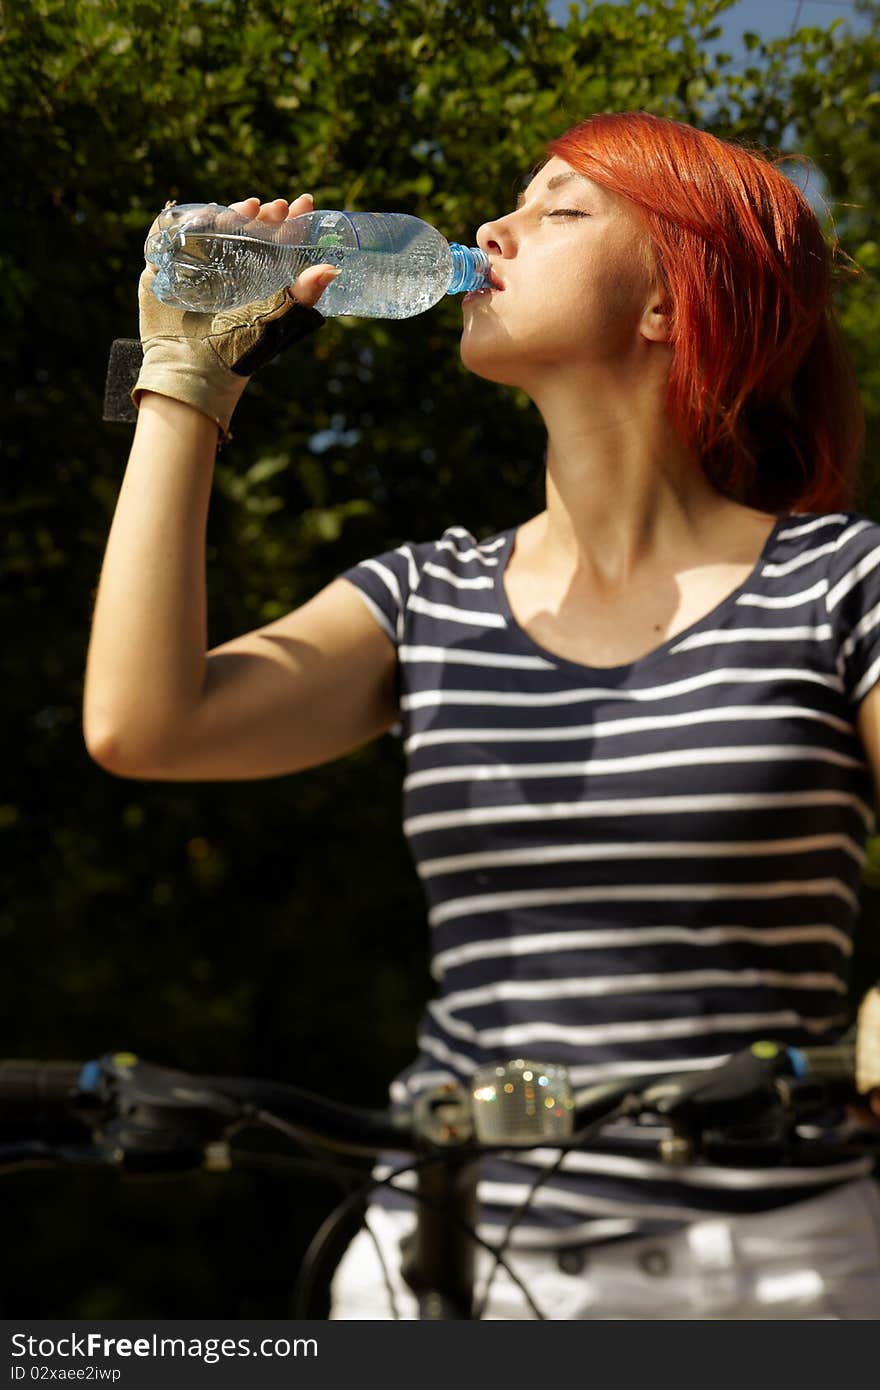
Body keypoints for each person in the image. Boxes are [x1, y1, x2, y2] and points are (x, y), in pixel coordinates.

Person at [84, 111, 880, 1319]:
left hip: (768, 1275)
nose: (491, 231)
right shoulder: (426, 598)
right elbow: (145, 723)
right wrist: (186, 379)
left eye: (560, 209)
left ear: (672, 302)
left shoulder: (842, 581)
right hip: (440, 1260)